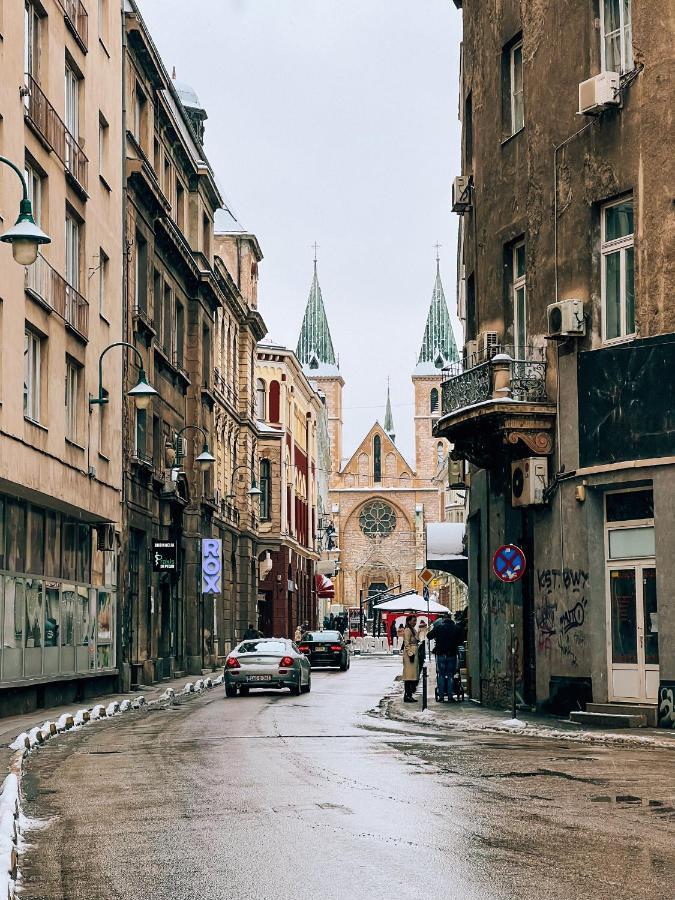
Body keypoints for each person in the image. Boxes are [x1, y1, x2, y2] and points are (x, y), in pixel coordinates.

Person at [427, 613, 461, 702]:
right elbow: (461, 640)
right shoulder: (456, 628)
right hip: (452, 654)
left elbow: (429, 636)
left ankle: (441, 696)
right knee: (450, 675)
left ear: (444, 619)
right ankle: (450, 696)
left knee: (441, 675)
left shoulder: (439, 627)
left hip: (441, 654)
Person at [401, 614, 419, 702]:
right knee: (409, 676)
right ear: (409, 621)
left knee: (412, 675)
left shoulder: (413, 629)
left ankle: (409, 695)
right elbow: (406, 643)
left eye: (415, 620)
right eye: (413, 621)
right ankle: (408, 695)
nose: (415, 622)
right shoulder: (408, 630)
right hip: (410, 655)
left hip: (413, 653)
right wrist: (410, 653)